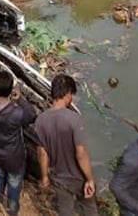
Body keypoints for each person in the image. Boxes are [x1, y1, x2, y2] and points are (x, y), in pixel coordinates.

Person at [35, 74, 98, 216]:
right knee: (89, 210)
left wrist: (44, 177)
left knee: (65, 210)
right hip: (79, 179)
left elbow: (42, 153)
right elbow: (81, 154)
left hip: (59, 179)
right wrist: (90, 179)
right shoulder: (75, 120)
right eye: (72, 95)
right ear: (68, 94)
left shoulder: (41, 120)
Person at [0, 70, 37, 216]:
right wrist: (21, 99)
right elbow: (32, 115)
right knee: (14, 188)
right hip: (14, 159)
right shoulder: (15, 113)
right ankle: (11, 212)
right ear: (11, 90)